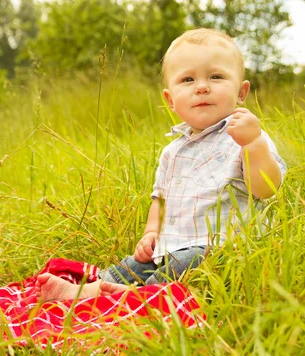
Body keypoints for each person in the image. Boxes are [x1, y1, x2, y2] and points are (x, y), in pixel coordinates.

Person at [36, 28, 287, 302]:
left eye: (216, 77)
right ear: (170, 100)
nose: (202, 86)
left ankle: (134, 296)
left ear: (241, 92)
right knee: (134, 265)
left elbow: (266, 189)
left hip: (224, 249)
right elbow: (161, 199)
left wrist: (253, 144)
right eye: (188, 79)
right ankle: (98, 289)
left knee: (188, 262)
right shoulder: (172, 151)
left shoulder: (246, 136)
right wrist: (151, 232)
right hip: (170, 248)